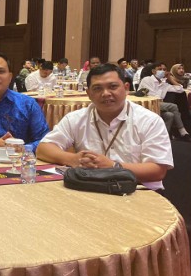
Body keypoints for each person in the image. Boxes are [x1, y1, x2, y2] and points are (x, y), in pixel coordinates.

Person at [36, 63, 173, 190]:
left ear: (126, 89)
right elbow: (43, 149)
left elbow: (158, 170)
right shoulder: (76, 118)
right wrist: (73, 159)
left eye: (113, 87)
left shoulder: (149, 121)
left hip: (139, 191)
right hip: (91, 189)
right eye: (97, 88)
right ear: (89, 94)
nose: (106, 93)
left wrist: (113, 166)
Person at [138, 63, 191, 141]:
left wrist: (170, 78)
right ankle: (183, 132)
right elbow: (152, 95)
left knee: (170, 115)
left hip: (159, 105)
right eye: (160, 69)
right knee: (173, 106)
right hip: (146, 104)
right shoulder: (147, 80)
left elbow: (180, 89)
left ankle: (164, 138)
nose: (162, 71)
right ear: (153, 71)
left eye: (164, 70)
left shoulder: (164, 84)